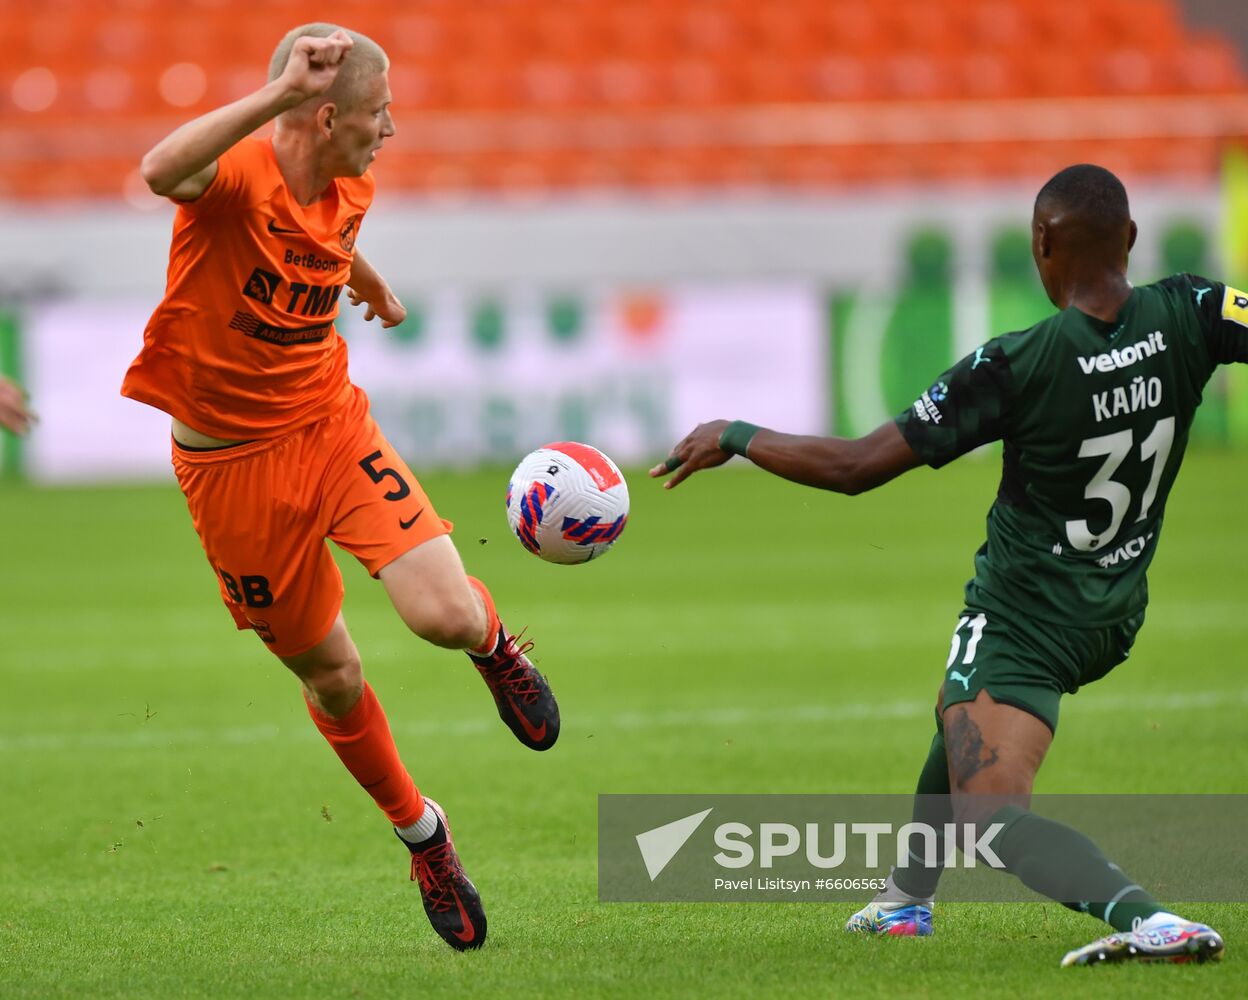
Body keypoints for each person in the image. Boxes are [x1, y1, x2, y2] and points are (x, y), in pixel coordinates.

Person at [651, 164, 1237, 968]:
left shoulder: (1015, 363)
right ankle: (905, 901)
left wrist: (737, 434)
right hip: (1116, 609)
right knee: (959, 708)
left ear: (1040, 244)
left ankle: (1151, 920)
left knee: (990, 814)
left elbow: (858, 465)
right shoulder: (1194, 309)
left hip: (1027, 617)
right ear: (1130, 239)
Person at [122, 23, 560, 952]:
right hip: (230, 470)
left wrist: (369, 281)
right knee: (334, 676)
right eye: (377, 113)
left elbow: (317, 234)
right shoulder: (235, 175)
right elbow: (161, 168)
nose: (390, 129)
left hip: (329, 426)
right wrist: (277, 94)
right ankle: (424, 836)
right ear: (323, 116)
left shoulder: (352, 177)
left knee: (441, 614)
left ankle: (493, 646)